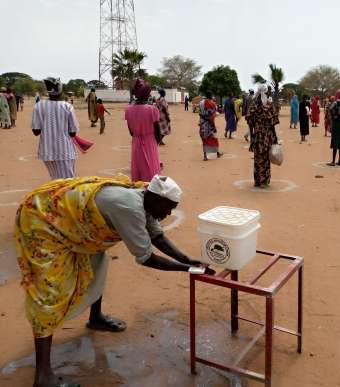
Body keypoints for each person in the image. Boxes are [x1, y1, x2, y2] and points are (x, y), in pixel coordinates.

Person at [14, 174, 212, 387]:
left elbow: (157, 236)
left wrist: (187, 259)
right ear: (155, 198)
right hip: (43, 221)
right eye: (168, 207)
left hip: (75, 222)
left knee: (96, 264)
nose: (169, 213)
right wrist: (187, 269)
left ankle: (95, 317)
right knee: (48, 292)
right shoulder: (129, 207)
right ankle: (43, 376)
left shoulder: (145, 199)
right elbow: (146, 257)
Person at [32, 77, 79, 179]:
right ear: (60, 90)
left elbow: (36, 131)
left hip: (47, 151)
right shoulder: (67, 106)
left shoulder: (38, 106)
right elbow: (73, 132)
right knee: (67, 182)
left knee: (55, 179)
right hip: (64, 151)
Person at [125, 79, 161, 182]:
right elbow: (157, 131)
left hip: (136, 143)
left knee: (137, 171)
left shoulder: (128, 110)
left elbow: (131, 132)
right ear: (147, 94)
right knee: (151, 170)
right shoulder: (152, 109)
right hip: (150, 142)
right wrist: (155, 142)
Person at [247, 84, 279, 188]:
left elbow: (250, 122)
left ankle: (257, 181)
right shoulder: (269, 105)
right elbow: (273, 124)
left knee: (257, 158)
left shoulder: (254, 105)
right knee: (266, 159)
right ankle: (264, 181)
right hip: (267, 136)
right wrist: (275, 137)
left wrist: (252, 136)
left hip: (257, 135)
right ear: (266, 92)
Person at [199, 91, 223, 161]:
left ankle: (205, 156)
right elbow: (211, 116)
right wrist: (213, 126)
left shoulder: (201, 103)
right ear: (211, 96)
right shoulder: (212, 104)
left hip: (202, 123)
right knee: (214, 138)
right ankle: (217, 153)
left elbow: (200, 113)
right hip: (209, 125)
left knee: (204, 140)